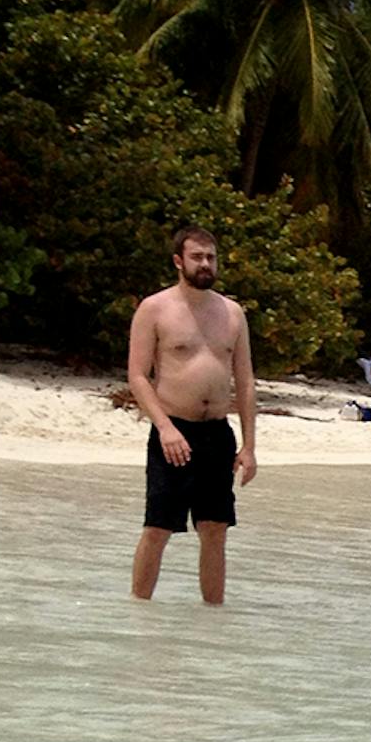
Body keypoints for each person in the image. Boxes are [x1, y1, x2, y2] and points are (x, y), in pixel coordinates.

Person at [127, 224, 254, 605]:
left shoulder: (233, 313)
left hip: (217, 434)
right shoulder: (155, 308)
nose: (205, 264)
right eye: (197, 257)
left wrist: (249, 447)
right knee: (158, 527)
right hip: (173, 432)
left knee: (215, 528)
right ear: (178, 261)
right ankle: (138, 611)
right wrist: (164, 428)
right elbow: (137, 375)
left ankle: (213, 619)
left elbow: (245, 381)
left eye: (211, 257)